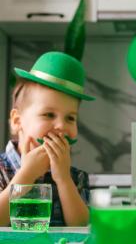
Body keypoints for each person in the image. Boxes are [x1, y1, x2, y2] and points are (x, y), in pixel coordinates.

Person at [0, 51, 95, 226]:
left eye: (70, 118)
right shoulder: (1, 170)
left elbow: (82, 228)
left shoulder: (76, 178)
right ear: (17, 121)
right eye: (49, 114)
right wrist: (26, 175)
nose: (61, 126)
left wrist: (64, 179)